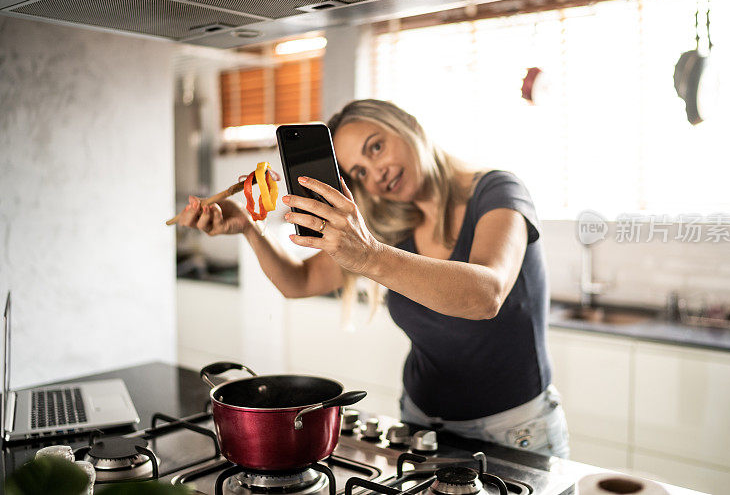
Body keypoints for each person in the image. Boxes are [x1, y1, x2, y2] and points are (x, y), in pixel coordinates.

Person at [176, 99, 569, 458]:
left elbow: (486, 295)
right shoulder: (390, 224)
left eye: (376, 147)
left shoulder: (498, 190)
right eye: (360, 172)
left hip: (515, 430)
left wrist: (370, 255)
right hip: (419, 423)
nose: (376, 174)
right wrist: (248, 227)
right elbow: (298, 282)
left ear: (408, 125)